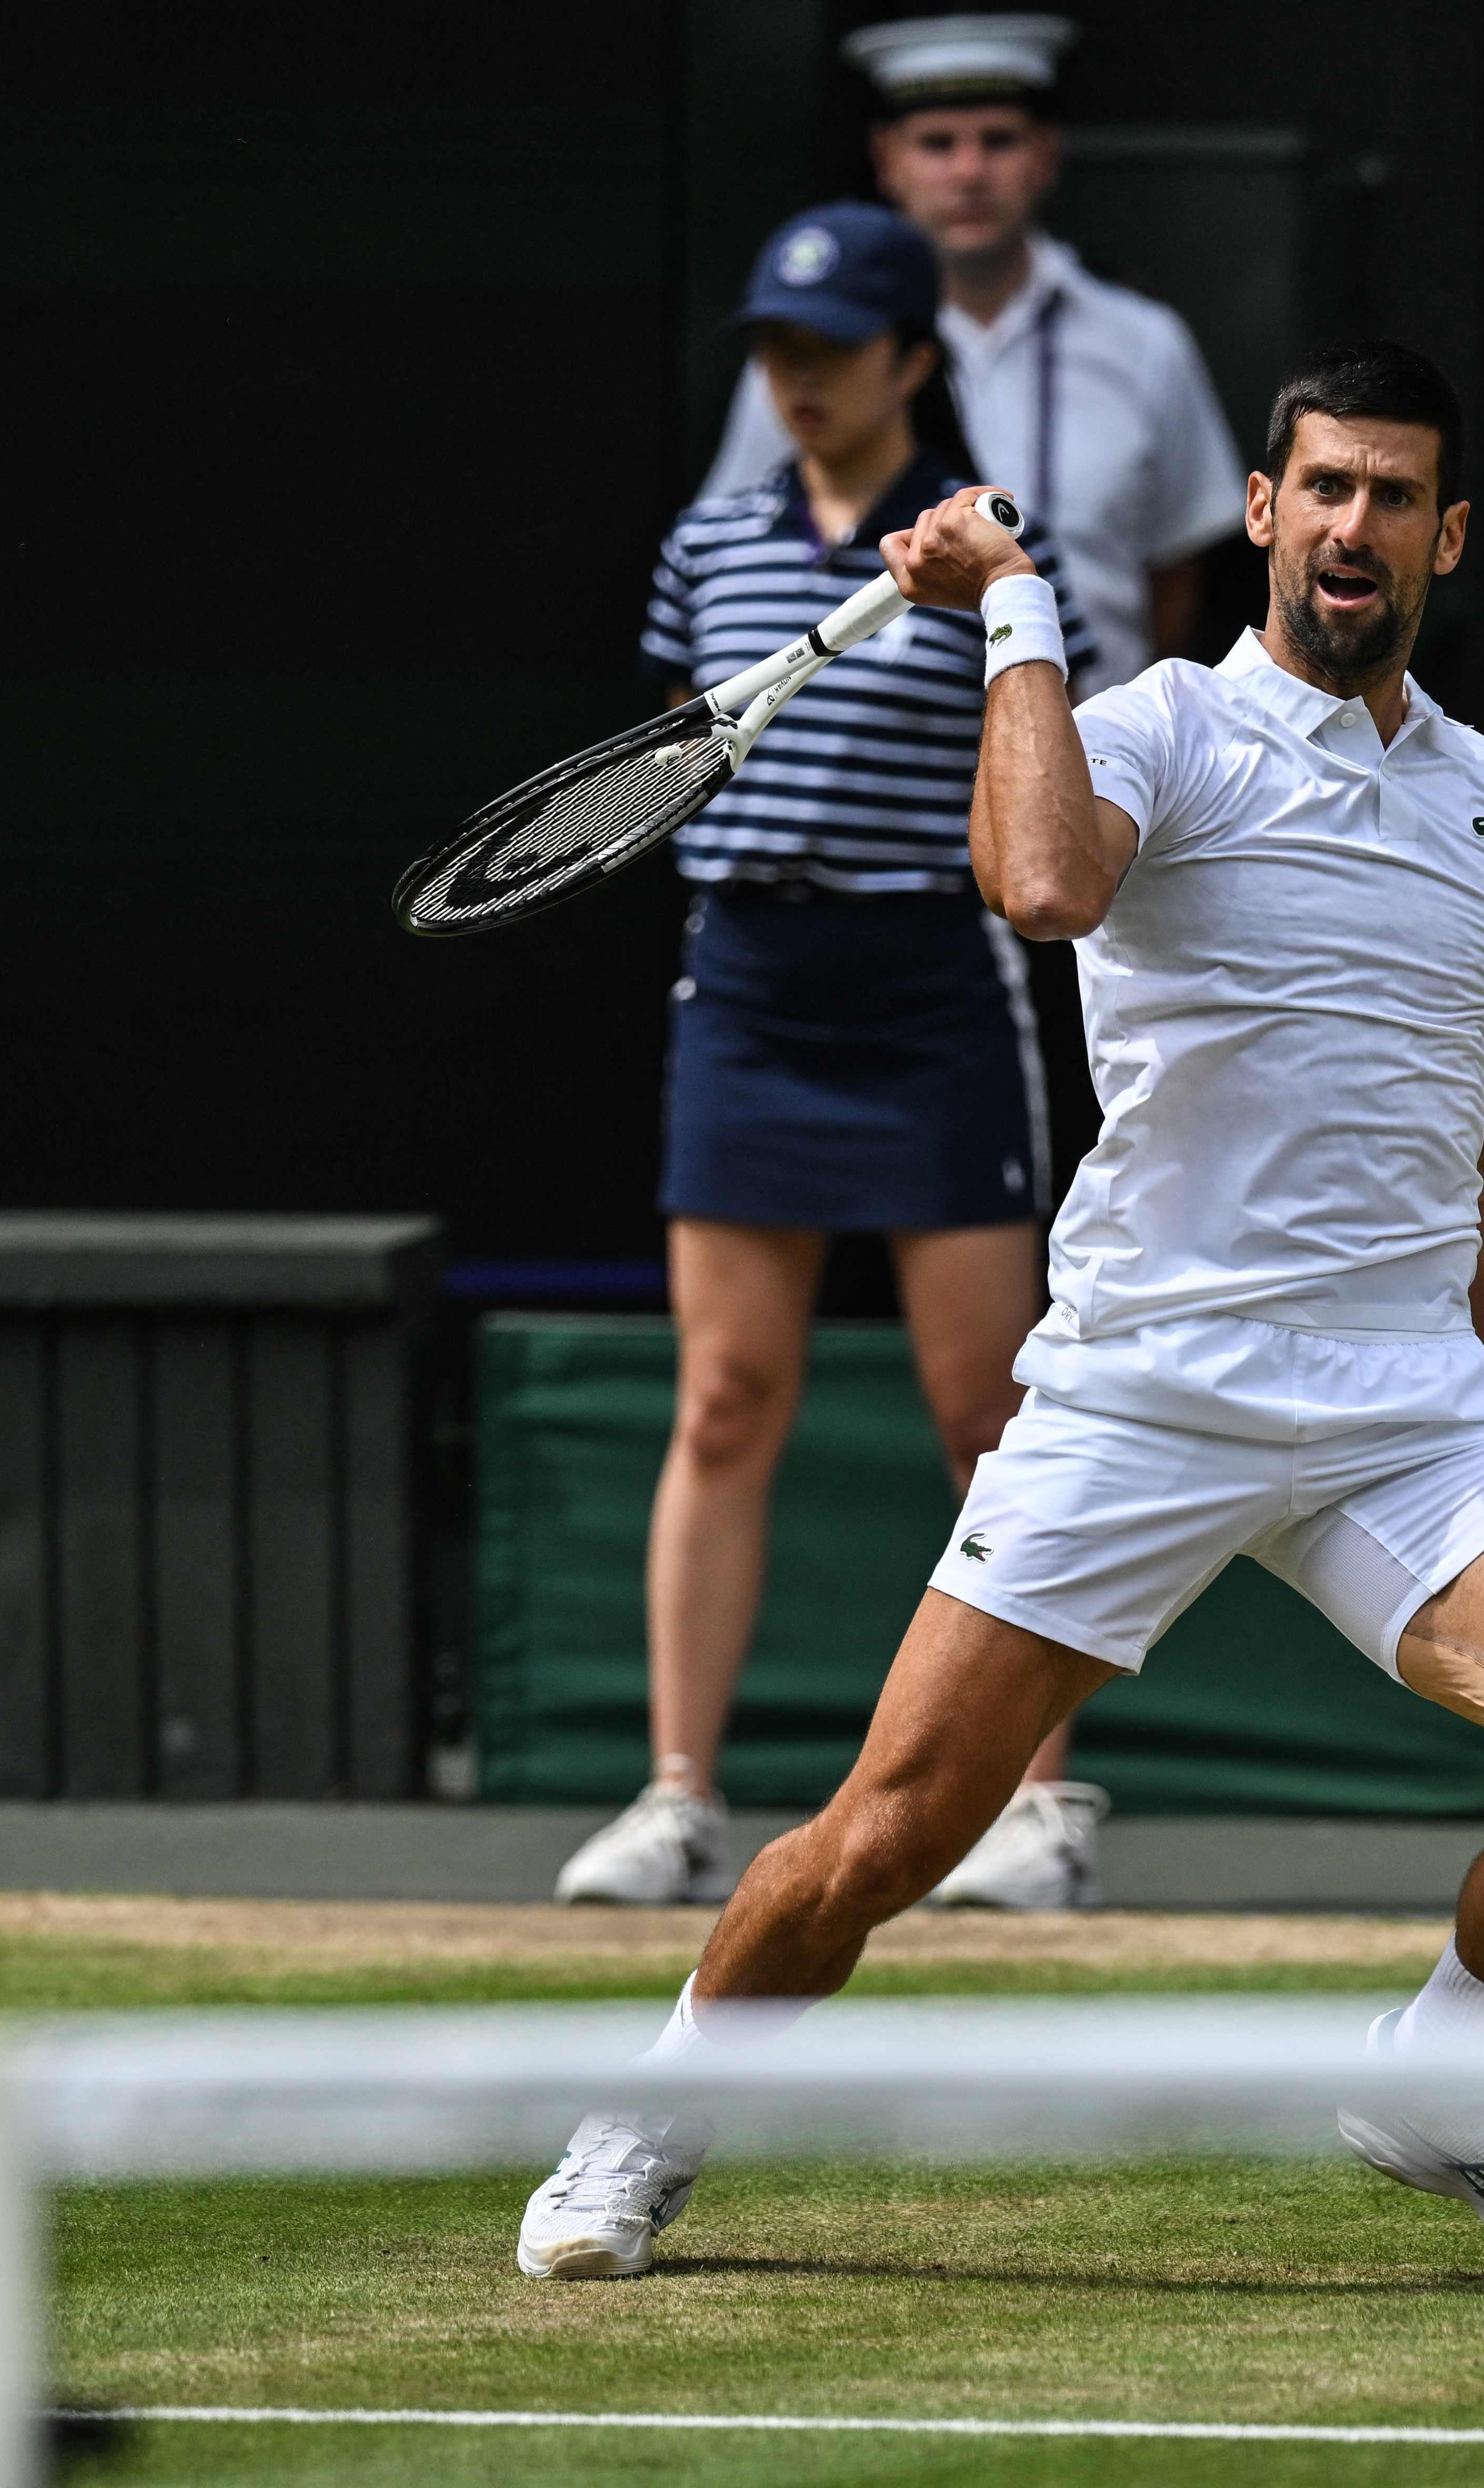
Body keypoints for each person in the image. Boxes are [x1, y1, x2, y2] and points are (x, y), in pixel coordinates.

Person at [520, 341, 1484, 2286]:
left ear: (1445, 536)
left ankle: (1443, 2073)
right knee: (884, 1837)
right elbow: (1040, 880)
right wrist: (1009, 611)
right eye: (1320, 488)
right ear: (1260, 512)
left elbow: (1481, 1157)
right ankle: (649, 2113)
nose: (1351, 526)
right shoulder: (1148, 727)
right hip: (1146, 1387)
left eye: (1392, 495)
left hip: (1415, 1403)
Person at [548, 201, 1112, 1915]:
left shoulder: (999, 556)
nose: (795, 381)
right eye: (773, 354)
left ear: (907, 365)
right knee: (721, 1399)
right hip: (746, 996)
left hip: (927, 995)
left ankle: (1040, 1804)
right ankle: (673, 1798)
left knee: (983, 1412)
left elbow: (1040, 766)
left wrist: (987, 585)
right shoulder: (706, 544)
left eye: (829, 352)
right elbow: (660, 766)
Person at [696, 14, 1239, 693]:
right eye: (937, 144)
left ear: (1047, 154)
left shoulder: (1145, 342)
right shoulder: (818, 349)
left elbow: (1177, 572)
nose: (970, 172)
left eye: (999, 141)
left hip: (1092, 760)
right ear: (887, 159)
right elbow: (735, 557)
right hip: (881, 761)